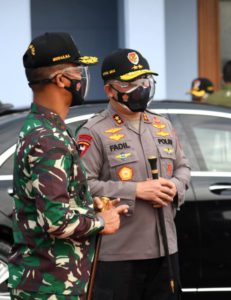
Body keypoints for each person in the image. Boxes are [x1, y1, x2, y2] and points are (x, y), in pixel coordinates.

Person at [8, 32, 129, 299]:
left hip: (50, 280)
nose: (82, 79)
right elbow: (55, 221)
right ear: (62, 79)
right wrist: (101, 221)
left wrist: (89, 204)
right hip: (51, 285)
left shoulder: (42, 127)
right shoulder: (49, 139)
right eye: (79, 70)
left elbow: (53, 199)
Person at [78, 48, 191, 300]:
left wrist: (174, 187)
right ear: (110, 90)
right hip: (119, 253)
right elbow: (83, 186)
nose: (142, 88)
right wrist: (136, 191)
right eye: (131, 84)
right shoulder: (94, 131)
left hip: (165, 249)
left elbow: (183, 167)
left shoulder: (163, 125)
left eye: (145, 81)